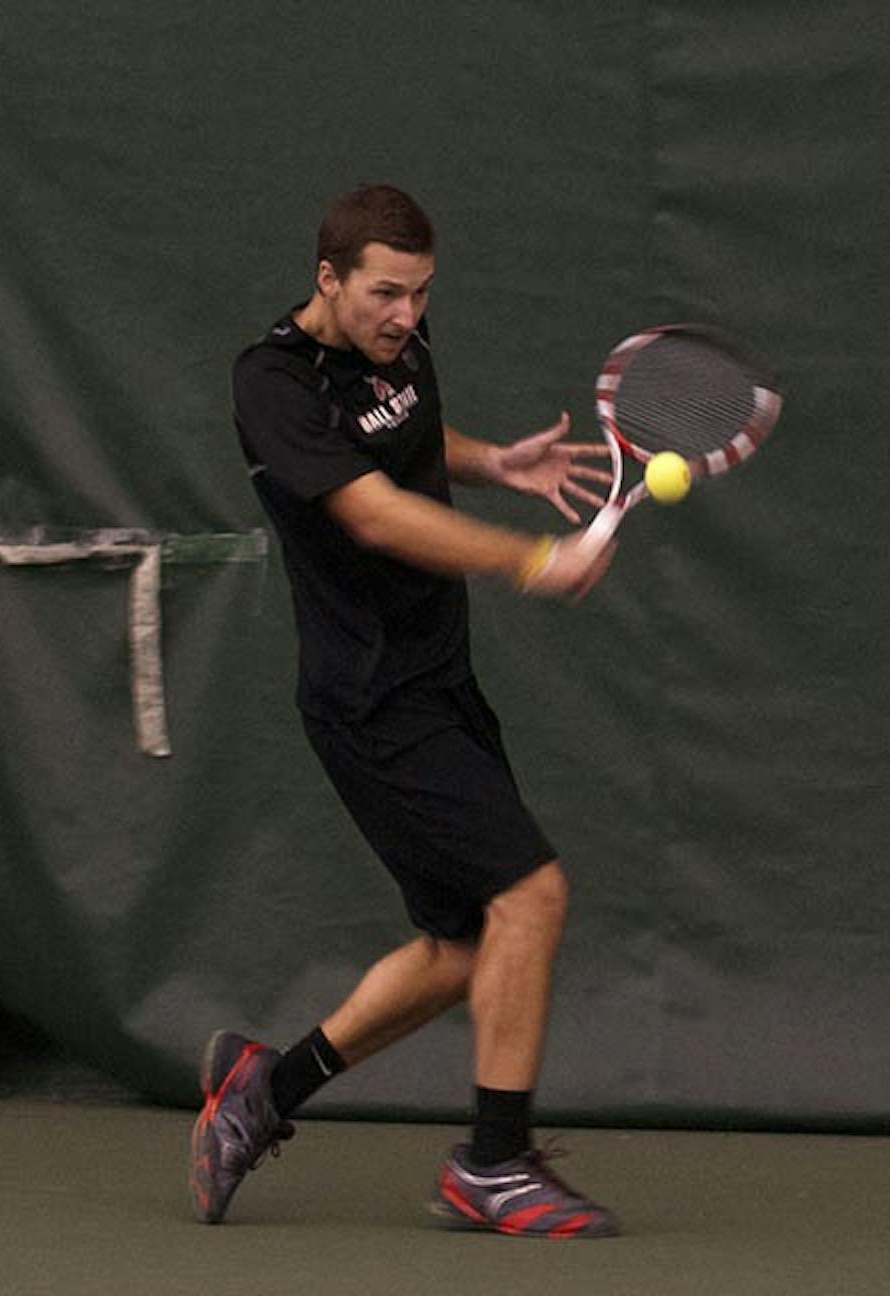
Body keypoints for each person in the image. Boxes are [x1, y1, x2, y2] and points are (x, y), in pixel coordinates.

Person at [190, 184, 620, 1239]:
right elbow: (374, 512)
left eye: (421, 294)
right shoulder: (273, 382)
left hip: (440, 681)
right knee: (532, 895)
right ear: (327, 278)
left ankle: (261, 1093)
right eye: (384, 292)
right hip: (371, 702)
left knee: (464, 946)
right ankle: (494, 1164)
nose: (405, 316)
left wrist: (491, 462)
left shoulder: (398, 345)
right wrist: (531, 558)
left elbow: (406, 439)